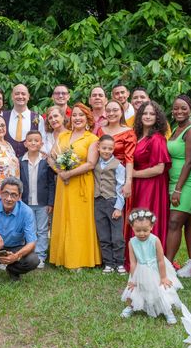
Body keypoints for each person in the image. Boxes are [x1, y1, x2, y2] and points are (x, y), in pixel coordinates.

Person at [49, 103, 101, 269]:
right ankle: (63, 257)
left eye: (81, 115)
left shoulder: (92, 139)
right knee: (64, 217)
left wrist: (68, 174)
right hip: (63, 184)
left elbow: (91, 163)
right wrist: (59, 171)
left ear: (87, 118)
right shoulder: (63, 136)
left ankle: (80, 259)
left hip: (81, 183)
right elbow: (51, 157)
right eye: (75, 115)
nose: (77, 118)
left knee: (79, 221)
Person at [120, 209, 182, 325]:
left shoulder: (155, 240)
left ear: (151, 227)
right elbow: (133, 262)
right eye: (138, 230)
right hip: (140, 270)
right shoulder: (132, 242)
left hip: (156, 269)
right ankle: (132, 306)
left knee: (160, 289)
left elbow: (160, 260)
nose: (142, 233)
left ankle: (168, 311)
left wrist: (163, 277)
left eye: (145, 230)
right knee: (135, 289)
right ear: (132, 227)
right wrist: (133, 279)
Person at [165, 95, 191, 275]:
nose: (179, 111)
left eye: (183, 108)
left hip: (187, 182)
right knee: (188, 221)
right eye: (176, 108)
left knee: (174, 221)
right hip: (173, 180)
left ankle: (168, 265)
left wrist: (178, 189)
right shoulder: (175, 130)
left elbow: (189, 162)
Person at [129, 101, 171, 255]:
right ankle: (136, 254)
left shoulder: (157, 138)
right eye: (144, 113)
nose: (147, 116)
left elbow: (159, 169)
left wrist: (134, 174)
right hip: (139, 184)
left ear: (157, 117)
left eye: (152, 113)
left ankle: (150, 255)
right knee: (137, 217)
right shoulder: (139, 136)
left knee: (145, 217)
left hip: (152, 185)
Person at [19, 130, 55, 269]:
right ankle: (28, 253)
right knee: (28, 229)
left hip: (42, 203)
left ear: (41, 143)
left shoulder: (46, 162)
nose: (33, 143)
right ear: (25, 143)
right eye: (30, 140)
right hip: (26, 203)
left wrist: (50, 202)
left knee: (42, 230)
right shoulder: (20, 161)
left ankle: (40, 256)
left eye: (36, 140)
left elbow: (51, 183)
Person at [94, 135, 126, 274]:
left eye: (110, 149)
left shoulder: (118, 166)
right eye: (104, 148)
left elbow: (121, 187)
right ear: (98, 147)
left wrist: (119, 207)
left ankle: (119, 263)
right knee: (103, 235)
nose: (107, 151)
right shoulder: (94, 163)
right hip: (98, 202)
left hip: (112, 202)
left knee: (117, 236)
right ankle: (108, 263)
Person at [96, 99, 135, 194]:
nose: (111, 113)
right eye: (108, 111)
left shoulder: (129, 132)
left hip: (120, 175)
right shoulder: (101, 130)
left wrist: (128, 182)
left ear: (121, 112)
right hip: (102, 176)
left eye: (115, 110)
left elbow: (129, 158)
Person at [3, 83, 45, 158]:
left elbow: (43, 143)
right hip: (6, 164)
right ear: (12, 96)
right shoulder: (2, 117)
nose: (20, 96)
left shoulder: (38, 118)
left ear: (28, 97)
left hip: (30, 165)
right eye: (17, 94)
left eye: (23, 94)